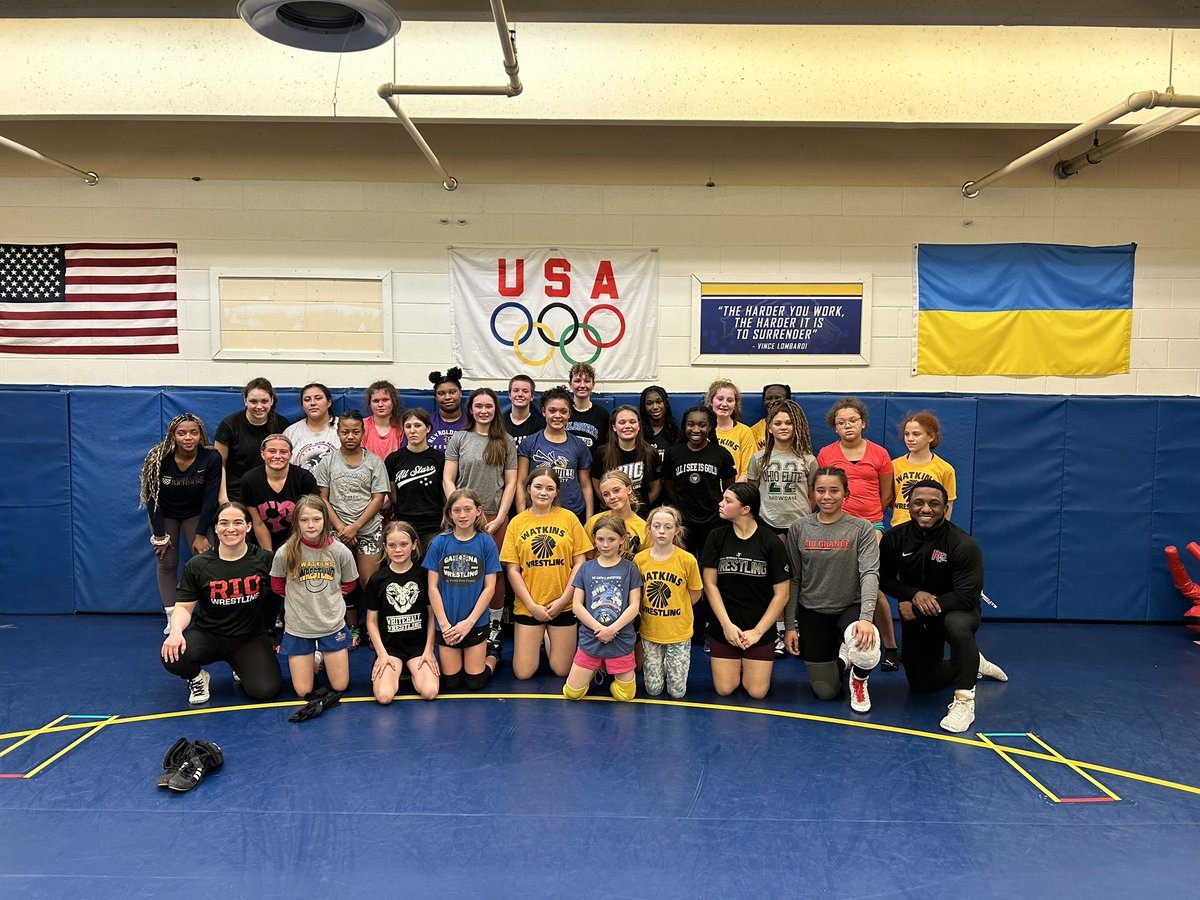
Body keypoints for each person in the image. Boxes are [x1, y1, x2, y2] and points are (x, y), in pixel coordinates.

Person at [878, 479, 1008, 733]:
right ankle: (972, 662)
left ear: (945, 508)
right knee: (922, 685)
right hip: (919, 616)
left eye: (934, 504)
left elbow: (967, 596)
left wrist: (916, 607)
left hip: (956, 609)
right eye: (919, 503)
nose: (926, 509)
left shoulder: (963, 544)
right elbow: (883, 578)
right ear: (909, 506)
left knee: (958, 625)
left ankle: (964, 700)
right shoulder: (895, 538)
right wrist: (912, 594)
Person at [161, 501, 281, 705]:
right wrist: (175, 631)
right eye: (224, 523)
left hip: (249, 637)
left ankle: (241, 665)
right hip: (210, 635)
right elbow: (184, 606)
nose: (231, 529)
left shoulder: (264, 559)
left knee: (265, 691)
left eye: (238, 522)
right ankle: (198, 678)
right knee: (173, 655)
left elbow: (285, 592)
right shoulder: (198, 565)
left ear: (248, 526)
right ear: (215, 528)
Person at [783, 467, 882, 713]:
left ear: (846, 493)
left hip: (849, 607)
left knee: (867, 649)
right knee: (826, 692)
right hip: (813, 611)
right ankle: (843, 658)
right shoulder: (799, 528)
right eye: (821, 491)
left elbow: (869, 573)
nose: (827, 496)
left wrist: (866, 619)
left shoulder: (861, 529)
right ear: (813, 494)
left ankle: (859, 679)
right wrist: (790, 626)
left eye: (834, 490)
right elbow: (793, 578)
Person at [816, 397, 899, 670]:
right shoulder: (827, 454)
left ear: (863, 423)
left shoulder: (880, 454)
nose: (848, 425)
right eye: (841, 422)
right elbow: (821, 490)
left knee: (871, 586)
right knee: (839, 584)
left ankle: (890, 647)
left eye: (853, 420)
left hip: (870, 526)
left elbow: (887, 494)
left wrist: (868, 521)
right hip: (835, 527)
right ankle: (846, 644)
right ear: (835, 428)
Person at [443, 387, 518, 649]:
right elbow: (448, 478)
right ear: (471, 409)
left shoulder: (505, 440)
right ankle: (467, 621)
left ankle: (495, 624)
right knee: (465, 571)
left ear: (495, 409)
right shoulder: (460, 438)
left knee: (494, 573)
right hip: (463, 517)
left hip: (493, 517)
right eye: (479, 406)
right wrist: (459, 511)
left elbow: (511, 483)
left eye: (489, 406)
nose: (484, 411)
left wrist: (500, 518)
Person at [701, 483, 791, 699]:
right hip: (725, 626)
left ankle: (750, 661)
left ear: (746, 509)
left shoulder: (770, 541)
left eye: (728, 501)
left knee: (757, 692)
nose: (721, 504)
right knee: (725, 689)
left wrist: (758, 632)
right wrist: (726, 626)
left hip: (758, 627)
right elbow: (710, 585)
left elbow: (782, 594)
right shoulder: (716, 537)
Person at [501, 466, 592, 680]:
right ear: (528, 489)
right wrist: (532, 606)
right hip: (529, 606)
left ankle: (550, 637)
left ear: (557, 492)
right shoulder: (517, 522)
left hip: (563, 604)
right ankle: (541, 633)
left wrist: (563, 600)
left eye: (550, 488)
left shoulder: (569, 518)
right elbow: (512, 569)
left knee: (562, 671)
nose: (543, 492)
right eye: (538, 487)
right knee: (523, 673)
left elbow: (580, 562)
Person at [744, 398, 817, 656]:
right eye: (778, 423)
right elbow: (752, 493)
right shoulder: (758, 458)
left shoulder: (808, 459)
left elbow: (812, 494)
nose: (783, 427)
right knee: (773, 580)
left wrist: (802, 516)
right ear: (770, 427)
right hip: (768, 524)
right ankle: (774, 629)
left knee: (798, 579)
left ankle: (795, 627)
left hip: (799, 527)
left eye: (788, 423)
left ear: (796, 427)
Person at [140, 413, 224, 633]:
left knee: (206, 560)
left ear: (201, 435)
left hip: (196, 513)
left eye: (193, 433)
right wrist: (159, 535)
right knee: (166, 561)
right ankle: (172, 615)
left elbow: (210, 497)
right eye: (182, 433)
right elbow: (152, 498)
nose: (188, 437)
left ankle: (209, 613)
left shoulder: (211, 457)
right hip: (165, 513)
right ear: (173, 435)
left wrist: (200, 534)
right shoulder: (158, 457)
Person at [270, 495, 358, 698]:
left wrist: (329, 597)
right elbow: (277, 586)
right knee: (304, 691)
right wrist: (300, 599)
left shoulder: (339, 551)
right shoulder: (285, 552)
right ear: (296, 522)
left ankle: (319, 656)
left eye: (316, 519)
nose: (311, 525)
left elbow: (350, 584)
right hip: (299, 626)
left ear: (325, 520)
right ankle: (316, 658)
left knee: (340, 686)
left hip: (331, 623)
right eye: (304, 520)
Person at [315, 410, 388, 649]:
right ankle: (350, 628)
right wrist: (340, 527)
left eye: (355, 431)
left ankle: (375, 626)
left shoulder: (374, 461)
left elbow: (378, 498)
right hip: (337, 532)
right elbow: (323, 498)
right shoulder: (328, 461)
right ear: (338, 433)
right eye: (345, 431)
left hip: (368, 531)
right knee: (341, 583)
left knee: (369, 582)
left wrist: (356, 527)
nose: (350, 436)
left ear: (363, 433)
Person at [662, 405, 736, 641]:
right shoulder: (674, 453)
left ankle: (710, 625)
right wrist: (682, 511)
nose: (696, 429)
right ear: (684, 427)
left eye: (702, 424)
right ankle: (685, 626)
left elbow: (729, 487)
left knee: (709, 577)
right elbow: (669, 486)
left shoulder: (721, 454)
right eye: (691, 424)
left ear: (711, 426)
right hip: (683, 524)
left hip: (713, 524)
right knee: (682, 574)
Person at [425, 489, 503, 690]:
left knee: (475, 682)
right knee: (451, 683)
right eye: (457, 510)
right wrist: (443, 624)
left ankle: (493, 653)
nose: (462, 515)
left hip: (475, 622)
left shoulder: (486, 542)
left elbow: (490, 588)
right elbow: (432, 587)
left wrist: (469, 622)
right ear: (449, 513)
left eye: (467, 509)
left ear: (478, 511)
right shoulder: (439, 543)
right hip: (447, 623)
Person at [562, 515, 642, 702]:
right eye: (600, 539)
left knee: (625, 696)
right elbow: (577, 605)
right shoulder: (586, 568)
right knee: (572, 694)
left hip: (620, 640)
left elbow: (634, 606)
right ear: (594, 539)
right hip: (592, 640)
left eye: (611, 539)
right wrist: (600, 629)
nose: (605, 545)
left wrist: (612, 629)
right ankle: (596, 669)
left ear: (622, 540)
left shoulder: (630, 569)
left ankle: (606, 669)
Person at [365, 521, 439, 703]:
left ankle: (411, 671)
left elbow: (431, 615)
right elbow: (371, 621)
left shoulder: (423, 576)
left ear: (414, 545)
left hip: (418, 648)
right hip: (390, 649)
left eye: (404, 544)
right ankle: (397, 672)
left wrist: (429, 650)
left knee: (430, 692)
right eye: (392, 545)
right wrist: (381, 654)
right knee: (384, 696)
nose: (398, 550)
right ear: (385, 547)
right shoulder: (377, 579)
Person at [634, 506, 702, 699]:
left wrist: (677, 607)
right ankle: (661, 665)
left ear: (677, 530)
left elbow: (695, 593)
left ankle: (671, 665)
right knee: (653, 690)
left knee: (677, 692)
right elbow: (637, 593)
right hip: (651, 631)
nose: (662, 531)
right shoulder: (640, 560)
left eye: (667, 527)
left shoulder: (687, 560)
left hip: (678, 632)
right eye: (656, 526)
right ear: (649, 529)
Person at [516, 384, 593, 522]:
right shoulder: (529, 443)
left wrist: (589, 520)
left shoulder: (579, 445)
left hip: (573, 513)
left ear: (569, 413)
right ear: (544, 412)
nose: (558, 416)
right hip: (538, 513)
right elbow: (521, 483)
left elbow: (586, 485)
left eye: (563, 411)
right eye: (552, 411)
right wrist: (522, 516)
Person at [214, 377, 291, 504]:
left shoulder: (282, 425)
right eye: (253, 401)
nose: (259, 406)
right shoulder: (229, 425)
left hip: (271, 493)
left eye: (264, 401)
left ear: (272, 401)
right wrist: (223, 499)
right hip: (237, 493)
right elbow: (218, 465)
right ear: (245, 401)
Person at [240, 433, 319, 552]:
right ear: (263, 454)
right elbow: (258, 523)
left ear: (290, 455)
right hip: (262, 543)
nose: (277, 456)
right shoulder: (249, 480)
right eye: (272, 451)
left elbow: (310, 520)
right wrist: (269, 555)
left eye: (283, 452)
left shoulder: (304, 478)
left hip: (299, 541)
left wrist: (295, 551)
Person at [385, 408, 446, 552]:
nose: (412, 430)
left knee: (432, 570)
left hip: (433, 525)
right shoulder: (393, 459)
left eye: (417, 425)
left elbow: (444, 494)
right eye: (408, 426)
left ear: (428, 428)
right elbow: (393, 495)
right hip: (404, 524)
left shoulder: (439, 458)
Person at [891, 410, 957, 526]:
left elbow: (948, 504)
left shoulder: (945, 469)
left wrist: (942, 530)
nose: (910, 439)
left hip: (930, 529)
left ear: (931, 436)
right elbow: (890, 499)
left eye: (916, 434)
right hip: (900, 528)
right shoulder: (894, 465)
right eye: (907, 434)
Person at [591, 404, 661, 510]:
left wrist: (639, 507)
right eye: (622, 422)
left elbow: (656, 486)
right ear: (614, 427)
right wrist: (612, 504)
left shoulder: (650, 452)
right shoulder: (602, 452)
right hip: (612, 514)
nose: (627, 426)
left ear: (639, 425)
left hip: (641, 515)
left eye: (632, 422)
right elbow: (597, 484)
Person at [585, 470, 648, 560]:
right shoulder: (594, 522)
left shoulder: (643, 528)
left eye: (616, 490)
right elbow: (586, 559)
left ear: (629, 489)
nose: (612, 497)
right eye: (606, 494)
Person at [283, 382, 339, 473]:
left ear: (329, 402)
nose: (312, 403)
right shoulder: (290, 433)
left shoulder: (343, 427)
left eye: (318, 398)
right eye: (307, 399)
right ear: (302, 405)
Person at [706, 378, 756, 477]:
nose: (724, 404)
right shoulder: (702, 430)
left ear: (735, 405)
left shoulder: (744, 431)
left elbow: (747, 472)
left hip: (734, 490)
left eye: (730, 400)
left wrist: (732, 491)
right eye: (720, 399)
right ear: (711, 401)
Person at [565, 361, 609, 450]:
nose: (582, 385)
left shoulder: (602, 415)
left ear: (593, 384)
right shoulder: (562, 412)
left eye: (587, 381)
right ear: (570, 384)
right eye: (577, 381)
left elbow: (606, 448)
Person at [362, 379, 405, 461]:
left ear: (393, 402)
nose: (380, 405)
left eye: (385, 400)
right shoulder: (362, 426)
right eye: (376, 401)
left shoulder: (403, 426)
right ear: (370, 404)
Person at [638, 384, 682, 461]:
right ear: (644, 407)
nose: (655, 407)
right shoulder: (637, 433)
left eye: (659, 402)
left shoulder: (676, 433)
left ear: (665, 404)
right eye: (649, 403)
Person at [427, 367, 466, 451]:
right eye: (441, 394)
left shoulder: (472, 422)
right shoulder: (425, 421)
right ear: (436, 397)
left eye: (452, 392)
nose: (447, 397)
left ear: (461, 393)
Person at [503, 373, 543, 450]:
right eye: (516, 390)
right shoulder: (499, 423)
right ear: (509, 395)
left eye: (525, 391)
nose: (520, 394)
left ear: (532, 396)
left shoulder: (540, 425)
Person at [749, 383, 792, 452]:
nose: (772, 402)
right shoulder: (754, 431)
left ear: (788, 400)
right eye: (769, 398)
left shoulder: (796, 427)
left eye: (777, 398)